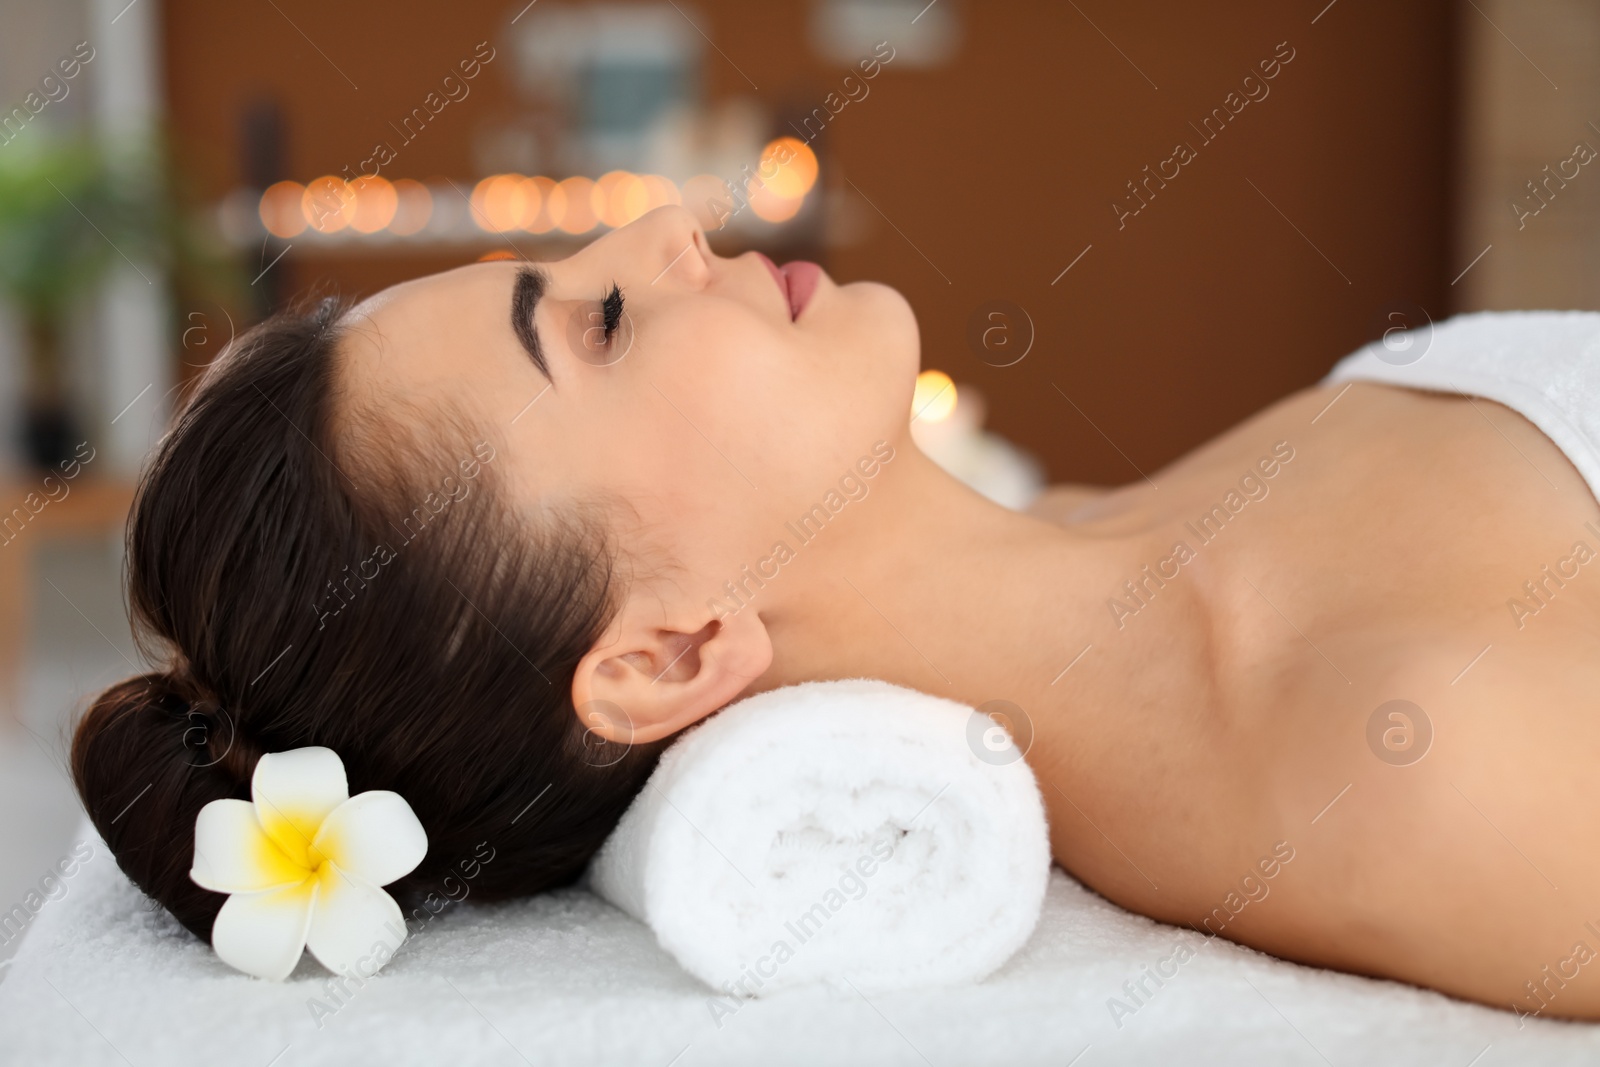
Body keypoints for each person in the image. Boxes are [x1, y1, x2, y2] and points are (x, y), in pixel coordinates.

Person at [73, 206, 1600, 1018]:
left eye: (571, 263)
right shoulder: (1396, 757)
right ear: (667, 654)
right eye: (593, 324)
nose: (665, 229)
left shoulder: (1114, 528)